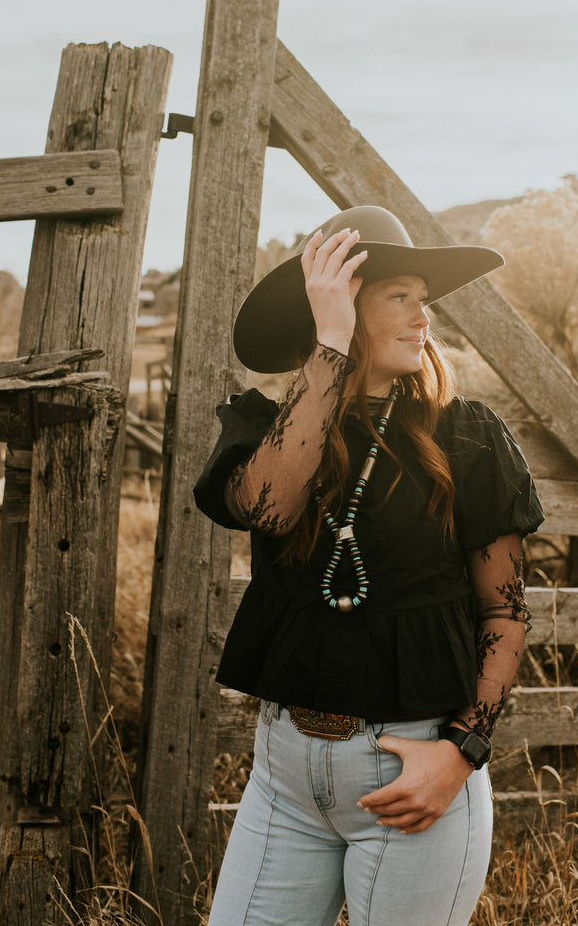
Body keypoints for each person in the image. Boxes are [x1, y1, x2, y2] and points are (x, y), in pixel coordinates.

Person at [194, 205, 544, 926]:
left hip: (414, 773)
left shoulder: (470, 439)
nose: (424, 318)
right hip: (284, 777)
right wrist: (330, 343)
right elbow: (269, 509)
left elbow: (506, 613)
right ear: (342, 304)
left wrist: (461, 752)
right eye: (400, 297)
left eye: (426, 300)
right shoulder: (269, 428)